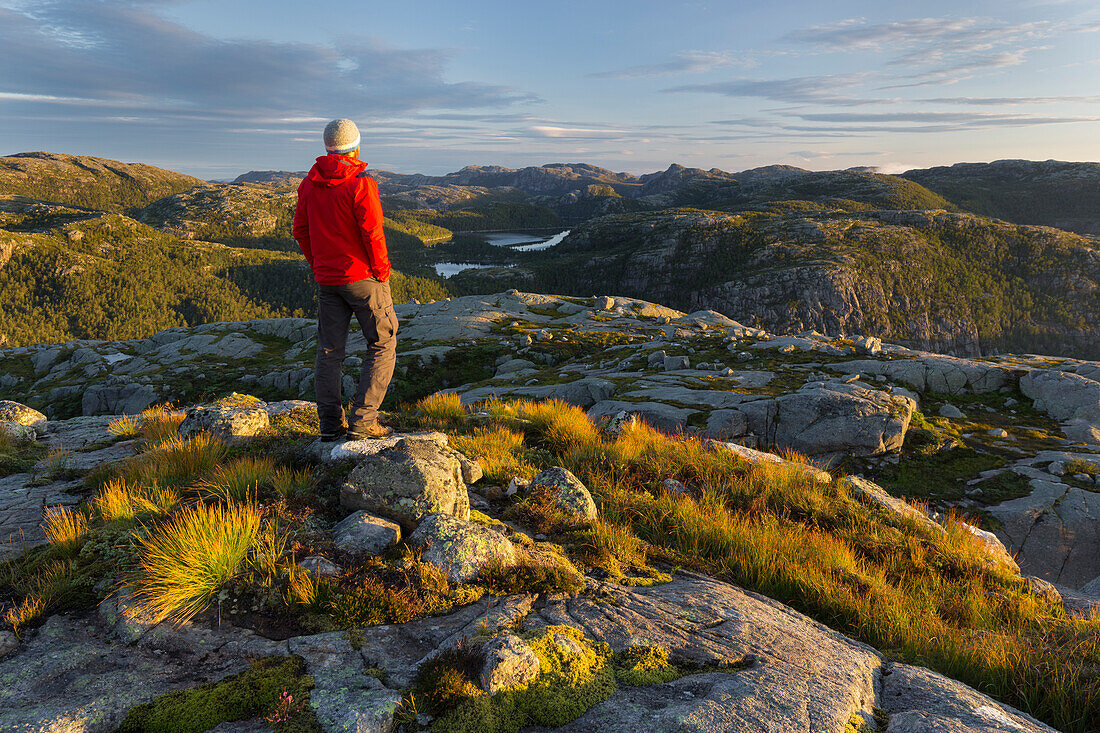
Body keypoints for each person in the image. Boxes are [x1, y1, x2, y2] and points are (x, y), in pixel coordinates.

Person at [293, 118, 397, 441]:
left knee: (329, 351)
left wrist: (319, 264)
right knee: (383, 342)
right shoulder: (360, 184)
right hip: (363, 279)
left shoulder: (310, 184)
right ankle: (364, 421)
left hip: (328, 282)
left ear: (327, 149)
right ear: (356, 148)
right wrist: (381, 271)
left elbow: (300, 231)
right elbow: (373, 233)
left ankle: (329, 426)